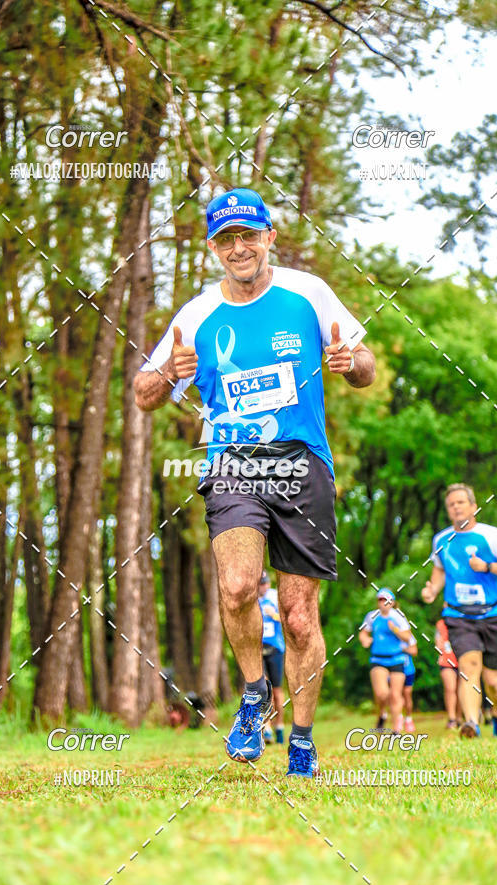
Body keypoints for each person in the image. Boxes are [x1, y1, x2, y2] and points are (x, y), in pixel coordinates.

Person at [134, 188, 376, 777]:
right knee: (240, 587)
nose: (239, 248)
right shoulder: (196, 315)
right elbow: (142, 394)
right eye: (226, 239)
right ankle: (253, 692)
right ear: (213, 248)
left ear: (269, 237)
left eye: (248, 235)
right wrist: (170, 373)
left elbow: (365, 365)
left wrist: (351, 363)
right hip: (234, 464)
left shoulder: (308, 293)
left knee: (298, 616)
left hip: (302, 462)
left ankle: (302, 738)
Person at [421, 483, 497, 738]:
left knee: (492, 679)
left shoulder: (491, 535)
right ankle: (471, 723)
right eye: (451, 504)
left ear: (474, 506)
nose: (455, 507)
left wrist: (487, 567)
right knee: (468, 667)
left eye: (460, 502)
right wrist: (432, 589)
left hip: (491, 614)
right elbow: (440, 570)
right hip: (458, 614)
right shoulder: (441, 540)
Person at [359, 588, 413, 733]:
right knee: (382, 694)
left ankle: (396, 730)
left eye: (386, 600)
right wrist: (365, 640)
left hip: (397, 659)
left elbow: (408, 637)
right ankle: (382, 714)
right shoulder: (372, 616)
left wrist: (395, 629)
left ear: (392, 602)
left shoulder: (398, 617)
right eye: (380, 600)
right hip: (378, 659)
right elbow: (363, 633)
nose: (383, 603)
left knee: (396, 695)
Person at [257, 570, 286, 745]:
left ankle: (279, 726)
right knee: (264, 689)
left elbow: (287, 618)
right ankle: (266, 728)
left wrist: (273, 614)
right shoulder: (252, 599)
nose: (264, 587)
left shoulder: (275, 596)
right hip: (258, 649)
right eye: (261, 584)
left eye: (266, 583)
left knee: (277, 691)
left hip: (276, 647)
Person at [435, 612, 461, 728]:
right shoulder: (441, 624)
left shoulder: (464, 620)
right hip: (446, 660)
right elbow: (438, 642)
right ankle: (452, 718)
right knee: (450, 688)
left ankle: (459, 717)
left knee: (461, 690)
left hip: (462, 660)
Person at [401, 633, 418, 733]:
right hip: (393, 669)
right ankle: (399, 718)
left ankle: (408, 719)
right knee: (395, 695)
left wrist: (402, 649)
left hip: (408, 670)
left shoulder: (408, 635)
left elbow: (414, 651)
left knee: (407, 694)